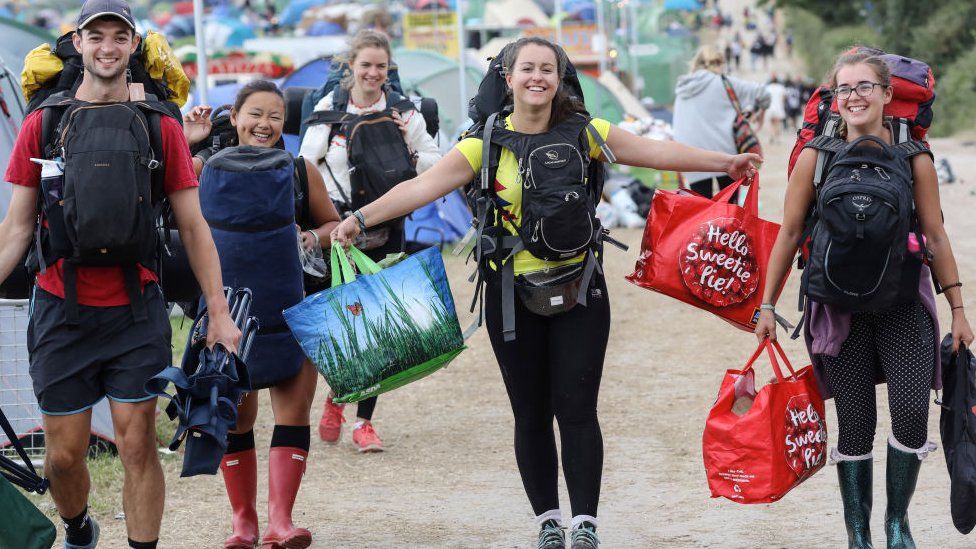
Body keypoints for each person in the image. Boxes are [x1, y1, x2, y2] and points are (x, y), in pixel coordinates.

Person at [330, 36, 760, 548]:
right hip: (510, 295)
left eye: (548, 70)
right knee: (530, 411)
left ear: (560, 80)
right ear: (506, 79)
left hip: (581, 290)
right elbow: (420, 189)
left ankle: (585, 525)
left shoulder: (587, 132)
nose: (538, 78)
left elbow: (656, 150)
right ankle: (548, 522)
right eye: (527, 69)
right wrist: (360, 218)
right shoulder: (481, 143)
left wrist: (723, 161)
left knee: (577, 408)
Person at [0, 1, 241, 547]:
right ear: (78, 45)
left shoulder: (161, 127)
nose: (107, 47)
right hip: (61, 307)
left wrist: (218, 314)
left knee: (136, 445)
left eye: (118, 37)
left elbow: (195, 227)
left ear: (134, 47)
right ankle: (79, 526)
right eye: (96, 36)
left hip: (137, 308)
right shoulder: (44, 123)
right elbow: (16, 229)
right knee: (63, 455)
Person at [755, 50, 974, 548]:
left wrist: (959, 311)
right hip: (837, 310)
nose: (854, 97)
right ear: (834, 99)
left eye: (864, 87)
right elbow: (789, 233)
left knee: (912, 416)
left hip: (903, 305)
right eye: (844, 89)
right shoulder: (817, 156)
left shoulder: (914, 158)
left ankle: (897, 525)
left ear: (886, 94)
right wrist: (766, 305)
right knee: (854, 427)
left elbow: (936, 237)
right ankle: (859, 537)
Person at [184, 80, 341, 549]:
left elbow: (331, 223)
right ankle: (243, 524)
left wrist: (312, 238)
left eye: (274, 116)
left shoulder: (299, 171)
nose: (265, 124)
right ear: (233, 117)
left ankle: (281, 523)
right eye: (255, 114)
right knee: (237, 418)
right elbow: (162, 201)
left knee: (293, 413)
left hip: (292, 308)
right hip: (226, 315)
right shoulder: (202, 167)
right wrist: (188, 141)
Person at [300, 29, 442, 453]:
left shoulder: (405, 112)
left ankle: (363, 421)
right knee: (342, 320)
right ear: (352, 68)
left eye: (381, 66)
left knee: (378, 323)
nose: (374, 73)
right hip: (337, 231)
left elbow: (436, 163)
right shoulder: (331, 110)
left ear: (388, 68)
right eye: (366, 65)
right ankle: (337, 391)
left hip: (384, 227)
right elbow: (306, 166)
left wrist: (409, 149)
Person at [672, 45, 769, 198]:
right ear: (720, 62)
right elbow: (763, 92)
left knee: (701, 212)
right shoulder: (723, 82)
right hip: (724, 156)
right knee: (729, 212)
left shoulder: (682, 89)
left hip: (692, 159)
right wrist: (759, 116)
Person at [764, 75, 786, 144]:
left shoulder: (767, 88)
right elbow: (783, 98)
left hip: (770, 108)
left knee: (771, 123)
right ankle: (778, 138)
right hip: (778, 107)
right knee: (777, 124)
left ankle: (771, 136)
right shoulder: (781, 88)